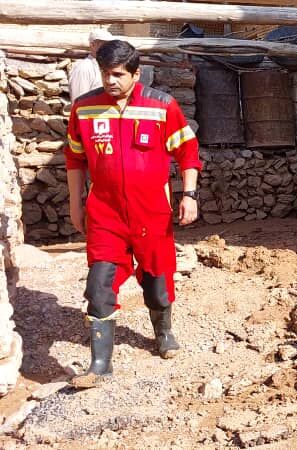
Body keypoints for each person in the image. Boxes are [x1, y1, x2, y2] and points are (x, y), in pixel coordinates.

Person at [64, 40, 202, 388]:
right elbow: (75, 159)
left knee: (158, 282)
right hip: (105, 215)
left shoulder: (162, 105)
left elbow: (188, 152)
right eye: (105, 74)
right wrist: (75, 203)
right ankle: (99, 364)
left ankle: (164, 332)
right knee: (98, 286)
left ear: (136, 74)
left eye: (118, 75)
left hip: (152, 214)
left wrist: (189, 194)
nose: (110, 81)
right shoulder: (84, 108)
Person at [68, 28, 113, 102]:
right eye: (104, 44)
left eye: (109, 44)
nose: (108, 48)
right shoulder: (83, 68)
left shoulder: (105, 66)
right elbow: (79, 101)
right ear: (92, 45)